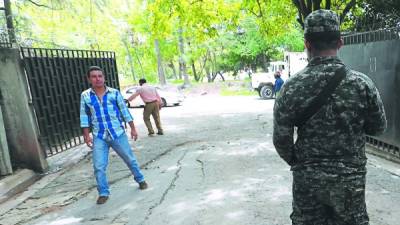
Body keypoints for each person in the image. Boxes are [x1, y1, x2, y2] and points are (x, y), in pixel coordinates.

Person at [273, 9, 386, 225]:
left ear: (307, 44)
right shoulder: (362, 84)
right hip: (350, 183)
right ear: (340, 43)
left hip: (308, 184)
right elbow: (378, 127)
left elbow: (281, 140)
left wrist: (302, 163)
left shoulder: (291, 88)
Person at [80, 66, 148, 205]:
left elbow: (124, 112)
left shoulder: (114, 93)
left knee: (129, 159)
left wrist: (133, 129)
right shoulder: (85, 96)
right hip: (99, 136)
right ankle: (103, 192)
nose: (97, 79)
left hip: (117, 133)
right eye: (94, 76)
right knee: (99, 166)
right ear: (89, 79)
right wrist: (87, 135)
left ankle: (140, 179)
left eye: (100, 76)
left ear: (104, 77)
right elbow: (84, 116)